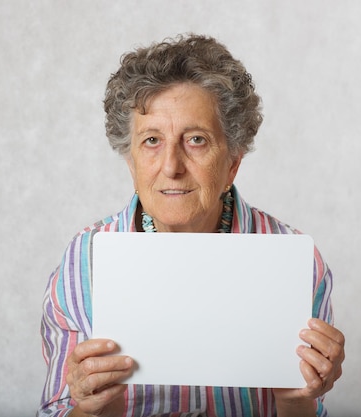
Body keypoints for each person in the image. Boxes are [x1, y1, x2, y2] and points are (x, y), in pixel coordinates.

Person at [38, 34, 345, 417]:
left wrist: (297, 399)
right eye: (151, 141)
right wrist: (93, 408)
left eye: (196, 140)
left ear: (233, 161)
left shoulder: (297, 264)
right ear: (131, 163)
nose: (171, 166)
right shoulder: (82, 263)